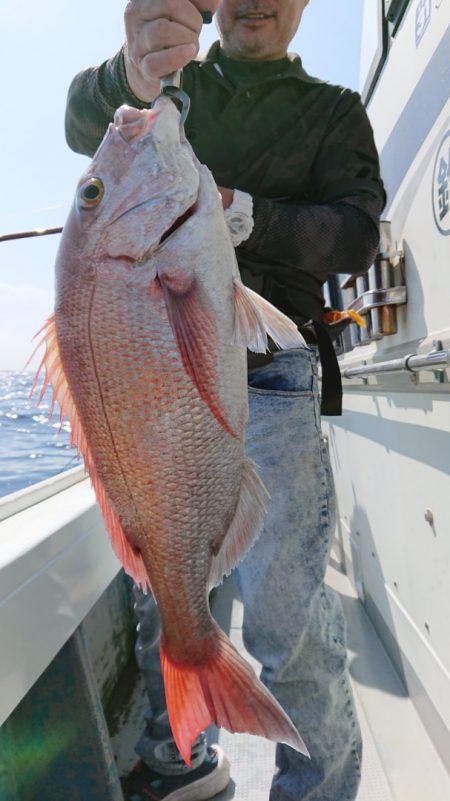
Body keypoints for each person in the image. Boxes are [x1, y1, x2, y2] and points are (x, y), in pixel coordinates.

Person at [65, 2, 386, 799]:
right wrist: (127, 68)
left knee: (289, 628)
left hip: (275, 375)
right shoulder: (180, 90)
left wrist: (248, 215)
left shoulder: (333, 111)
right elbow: (85, 119)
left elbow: (353, 234)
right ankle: (182, 754)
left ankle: (314, 786)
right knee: (163, 605)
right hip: (162, 390)